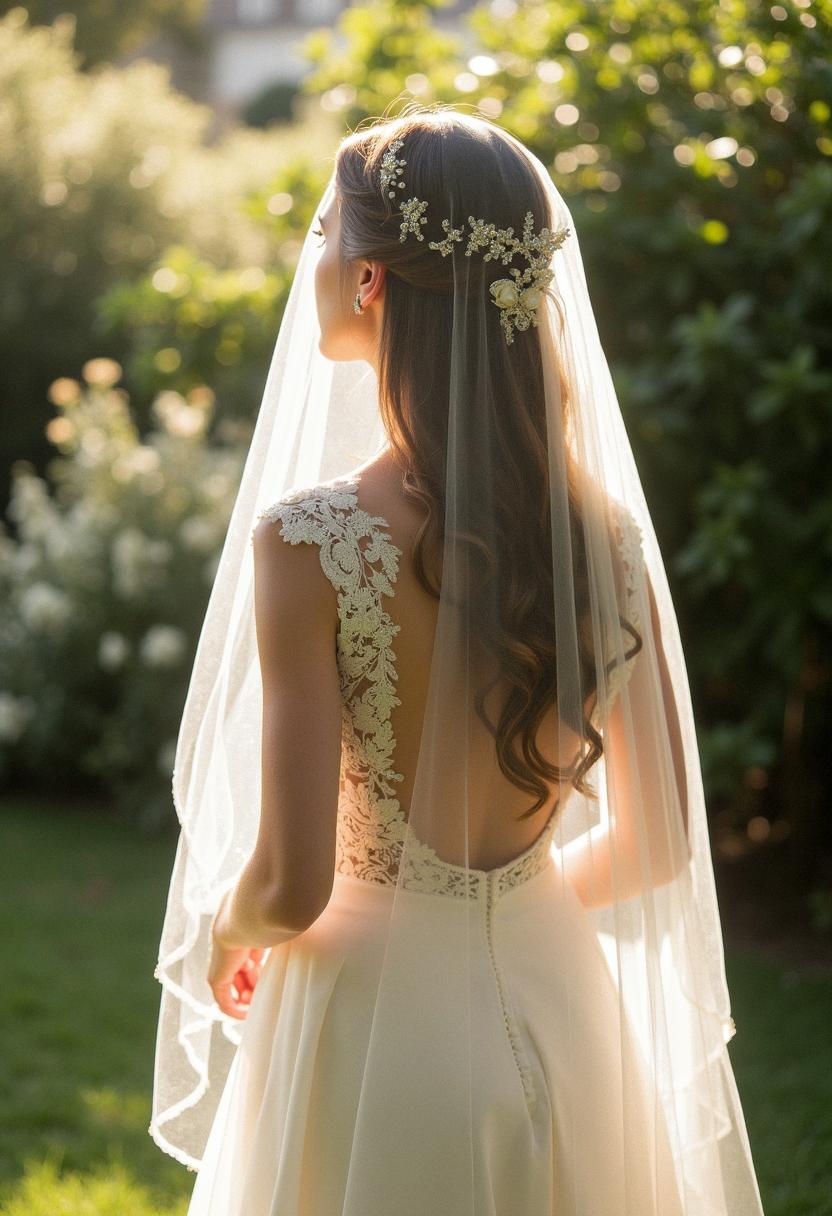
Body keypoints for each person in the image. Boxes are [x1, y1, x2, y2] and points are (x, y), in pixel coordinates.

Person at [149, 105, 766, 1215]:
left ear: (374, 280)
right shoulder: (603, 538)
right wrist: (505, 904)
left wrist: (222, 933)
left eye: (329, 230)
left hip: (371, 1032)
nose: (318, 256)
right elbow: (662, 836)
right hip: (561, 1011)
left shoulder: (310, 542)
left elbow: (293, 885)